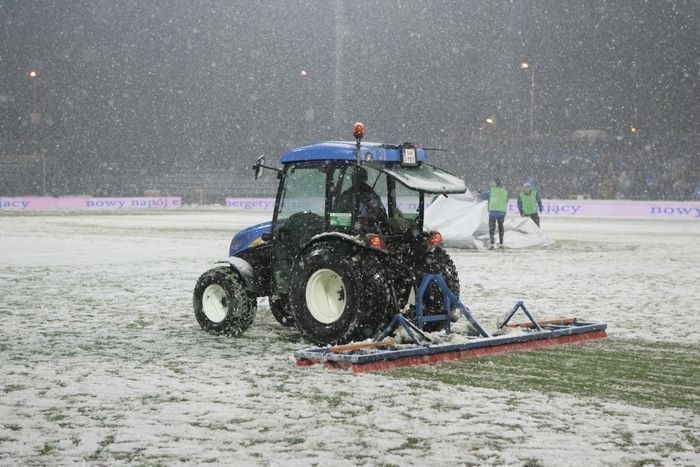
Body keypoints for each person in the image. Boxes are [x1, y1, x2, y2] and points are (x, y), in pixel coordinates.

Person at [479, 178, 508, 249]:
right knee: (501, 228)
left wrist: (480, 193)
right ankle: (501, 243)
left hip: (493, 212)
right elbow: (506, 200)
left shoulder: (491, 191)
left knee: (492, 229)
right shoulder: (504, 191)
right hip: (502, 212)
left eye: (492, 182)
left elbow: (482, 196)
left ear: (495, 183)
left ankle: (492, 244)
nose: (491, 183)